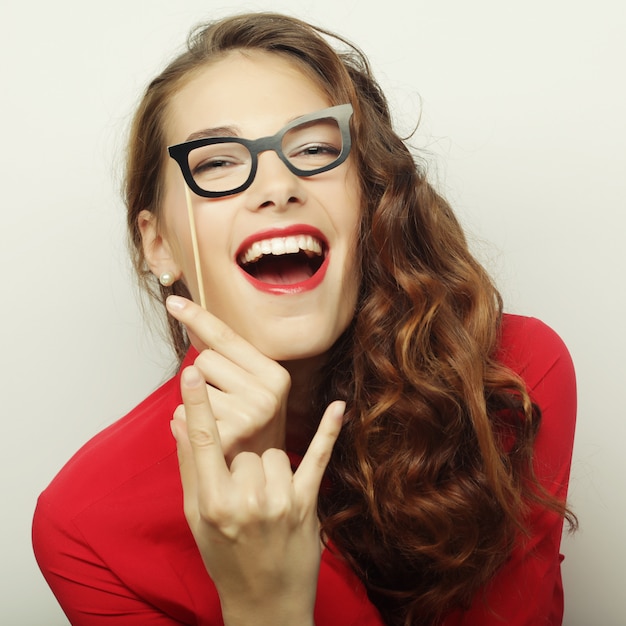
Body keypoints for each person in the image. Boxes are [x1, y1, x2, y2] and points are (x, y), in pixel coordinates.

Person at [32, 12, 577, 626]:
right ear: (159, 245)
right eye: (215, 163)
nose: (277, 185)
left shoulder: (511, 378)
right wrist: (266, 603)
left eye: (315, 148)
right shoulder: (84, 529)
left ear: (369, 195)